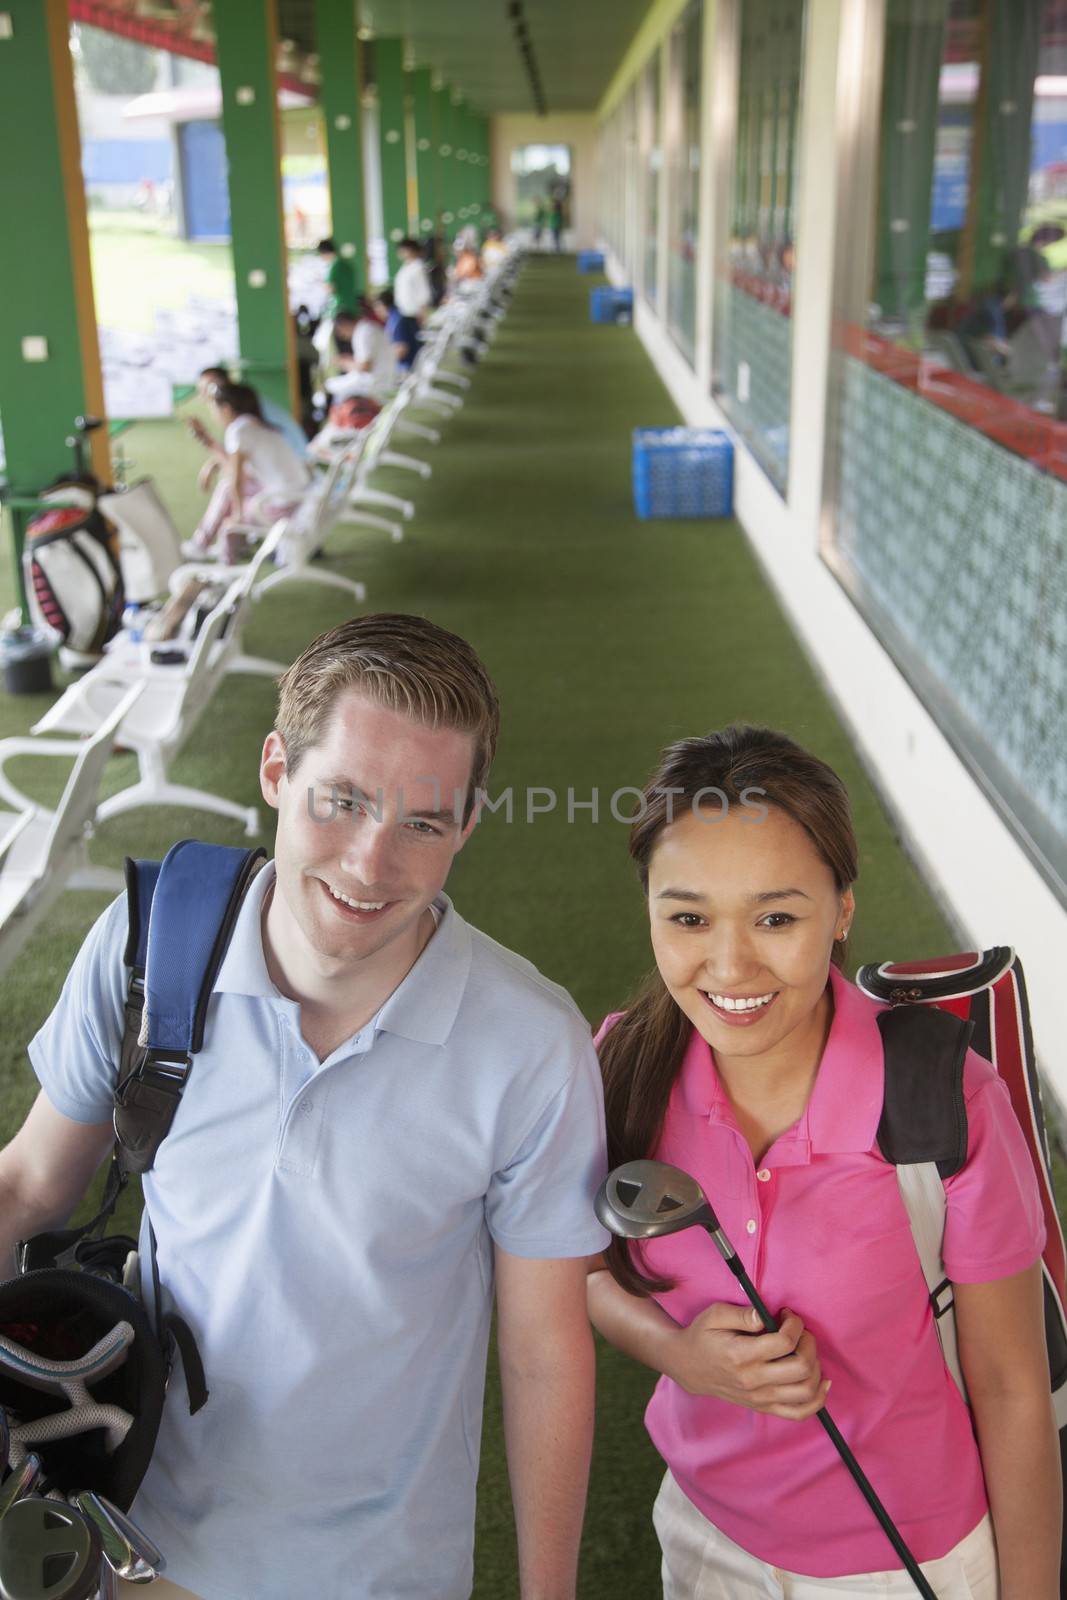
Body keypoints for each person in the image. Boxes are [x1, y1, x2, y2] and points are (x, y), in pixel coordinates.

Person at [0, 613, 609, 1600]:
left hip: (384, 1577)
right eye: (343, 801)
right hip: (133, 1554)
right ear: (276, 769)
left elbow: (543, 1348)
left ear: (468, 823)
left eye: (422, 822)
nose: (371, 865)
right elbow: (26, 1186)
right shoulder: (144, 949)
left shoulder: (529, 1044)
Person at [587, 724, 1059, 1599]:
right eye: (688, 917)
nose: (729, 965)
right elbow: (579, 1277)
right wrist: (679, 1354)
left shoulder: (948, 1100)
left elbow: (1011, 1387)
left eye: (776, 917)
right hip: (702, 1533)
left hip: (910, 1564)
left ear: (840, 909)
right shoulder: (617, 1068)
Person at [184, 379, 309, 558]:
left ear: (226, 409)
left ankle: (222, 570)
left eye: (213, 407)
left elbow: (236, 477)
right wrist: (207, 439)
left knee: (229, 525)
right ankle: (201, 544)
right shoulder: (253, 424)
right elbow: (236, 469)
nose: (213, 413)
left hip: (285, 502)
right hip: (296, 493)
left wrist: (238, 515)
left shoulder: (238, 430)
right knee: (228, 489)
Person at [316, 235, 359, 320]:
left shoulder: (335, 267)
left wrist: (321, 282)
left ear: (323, 253)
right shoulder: (347, 265)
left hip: (341, 309)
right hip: (352, 306)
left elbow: (331, 289)